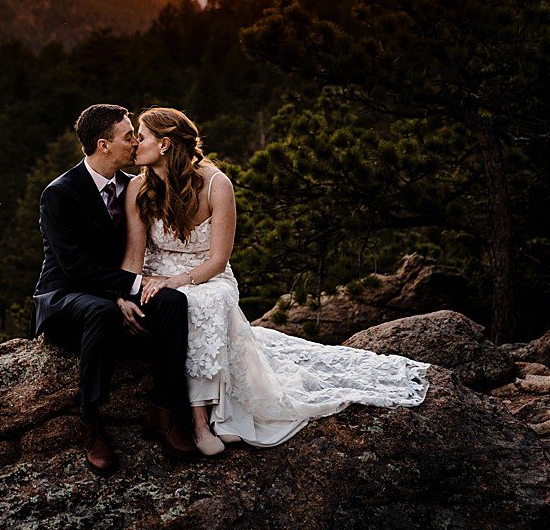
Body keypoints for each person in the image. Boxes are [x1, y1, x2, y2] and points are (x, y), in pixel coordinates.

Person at [123, 107, 428, 453]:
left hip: (207, 275)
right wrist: (128, 293)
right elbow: (134, 257)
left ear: (164, 144)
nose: (134, 143)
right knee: (182, 304)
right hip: (158, 273)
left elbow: (219, 260)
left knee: (208, 299)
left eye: (141, 136)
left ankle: (204, 420)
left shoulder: (216, 184)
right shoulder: (137, 188)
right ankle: (199, 419)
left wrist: (177, 280)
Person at [33, 103, 198, 475]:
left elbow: (136, 249)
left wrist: (132, 292)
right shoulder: (59, 194)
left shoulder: (130, 187)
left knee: (172, 301)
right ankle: (91, 423)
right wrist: (125, 291)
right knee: (102, 311)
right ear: (104, 145)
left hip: (113, 288)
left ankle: (164, 411)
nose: (136, 142)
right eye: (129, 136)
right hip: (64, 297)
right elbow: (75, 268)